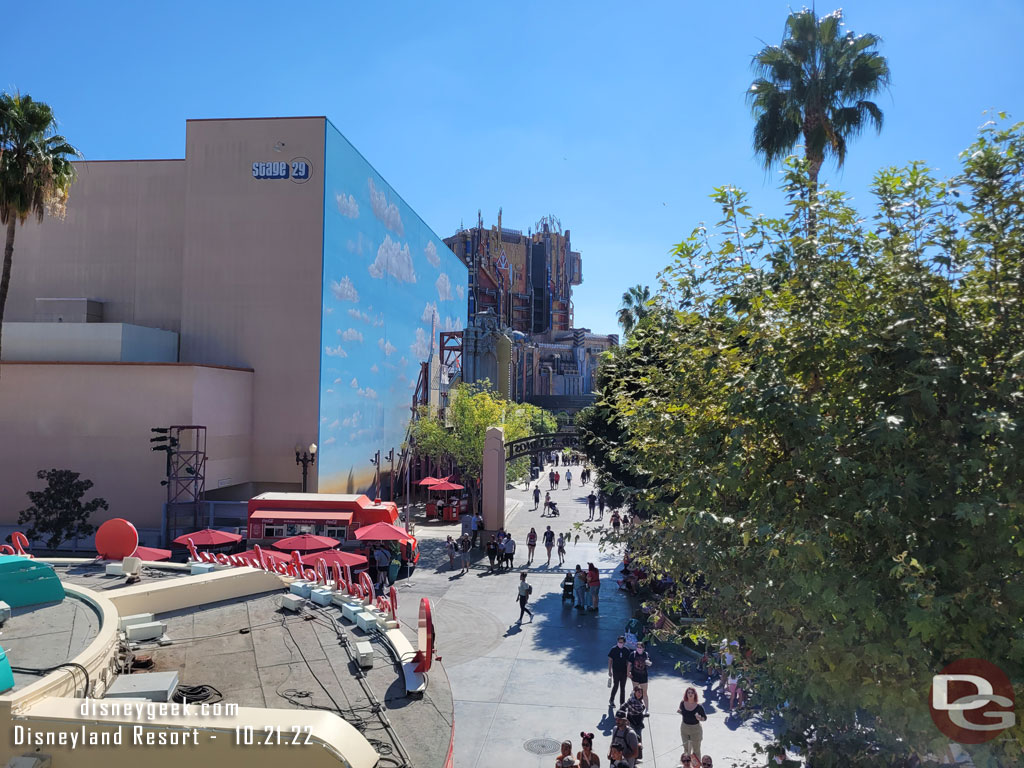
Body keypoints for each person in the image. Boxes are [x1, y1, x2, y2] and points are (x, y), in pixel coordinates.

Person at [678, 686, 707, 759]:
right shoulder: (682, 703)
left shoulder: (699, 706)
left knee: (696, 751)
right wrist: (680, 712)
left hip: (695, 730)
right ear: (686, 694)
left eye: (692, 693)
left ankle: (696, 766)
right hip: (684, 728)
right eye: (688, 693)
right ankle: (687, 765)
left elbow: (705, 718)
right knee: (686, 750)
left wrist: (700, 718)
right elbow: (683, 712)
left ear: (695, 694)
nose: (690, 694)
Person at [607, 635, 631, 706]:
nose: (620, 643)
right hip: (616, 671)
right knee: (616, 686)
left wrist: (628, 672)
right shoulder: (613, 649)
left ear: (624, 643)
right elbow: (610, 660)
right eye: (619, 642)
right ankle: (611, 700)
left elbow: (628, 662)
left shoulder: (626, 650)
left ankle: (622, 703)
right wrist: (609, 671)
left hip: (623, 671)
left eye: (622, 642)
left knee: (623, 687)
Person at [627, 640, 652, 708]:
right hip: (635, 676)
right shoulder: (633, 654)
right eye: (638, 647)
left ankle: (647, 709)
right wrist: (628, 673)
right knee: (636, 691)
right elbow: (629, 664)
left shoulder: (646, 654)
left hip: (643, 677)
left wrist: (648, 663)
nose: (639, 649)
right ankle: (634, 705)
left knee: (644, 693)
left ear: (643, 648)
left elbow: (649, 661)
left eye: (641, 647)